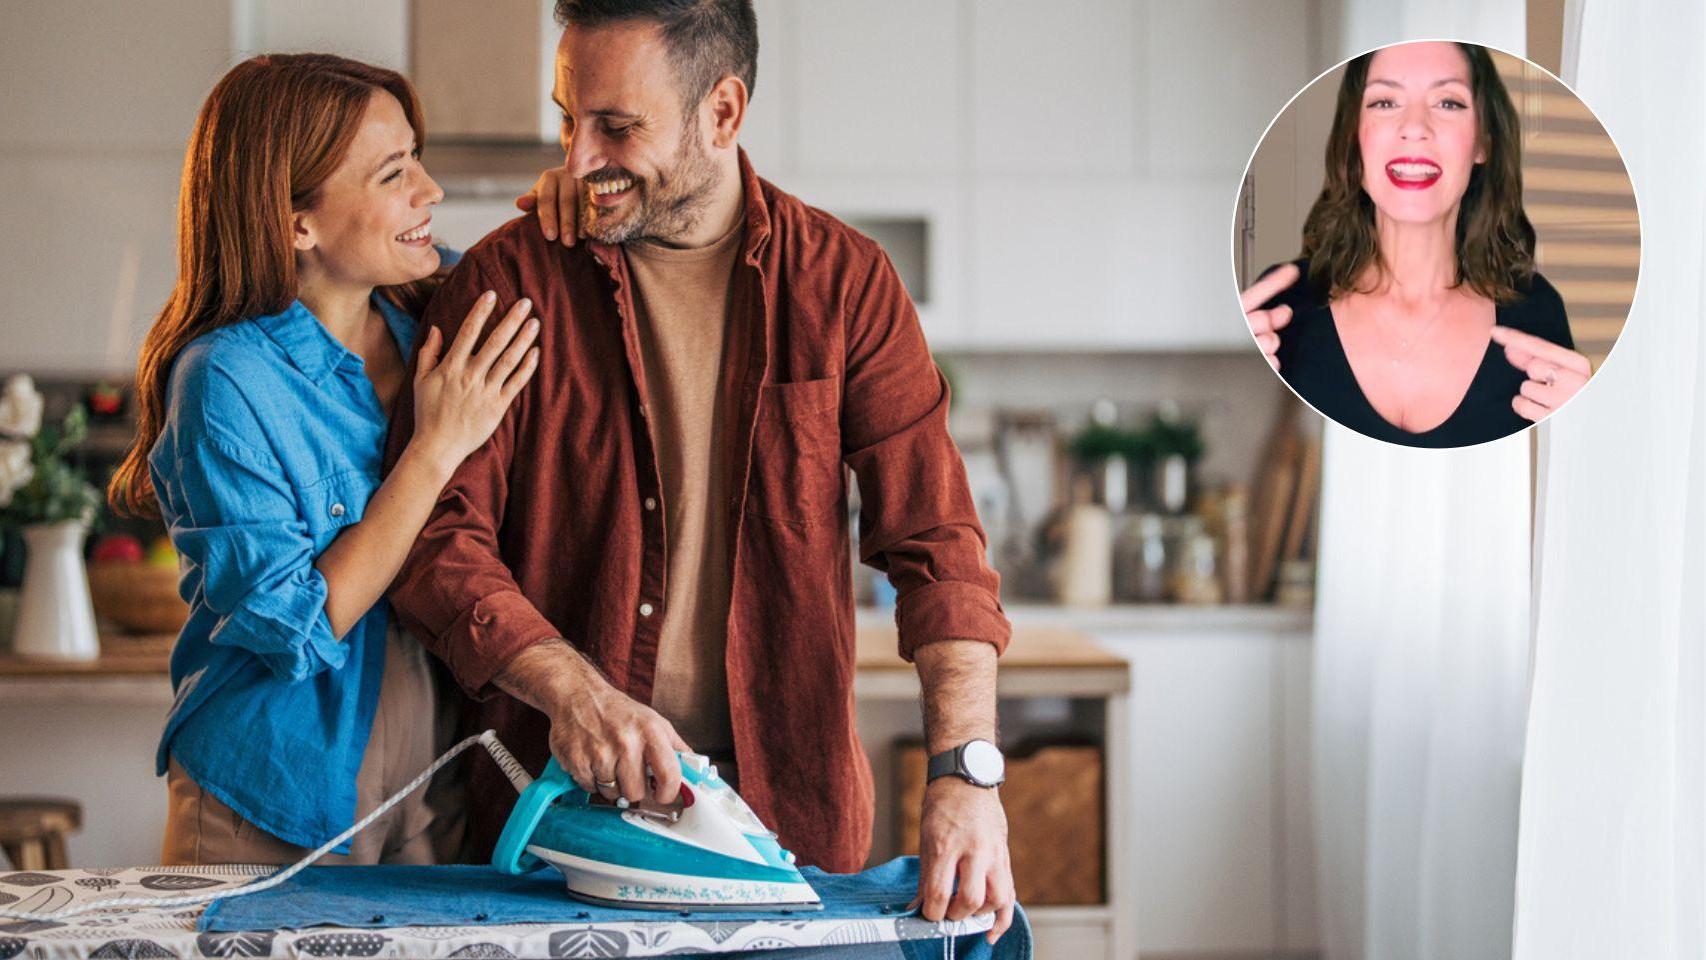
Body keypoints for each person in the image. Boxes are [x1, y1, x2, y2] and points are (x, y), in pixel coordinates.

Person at [384, 0, 1016, 942]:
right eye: (568, 119)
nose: (577, 158)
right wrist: (575, 690)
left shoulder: (844, 286)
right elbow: (436, 536)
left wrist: (965, 773)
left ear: (722, 113)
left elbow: (937, 547)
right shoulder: (513, 283)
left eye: (617, 127)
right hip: (562, 822)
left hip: (791, 814)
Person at [108, 53, 576, 865]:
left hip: (431, 786)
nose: (430, 192)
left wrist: (573, 202)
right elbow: (295, 628)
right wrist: (431, 451)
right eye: (395, 174)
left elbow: (569, 306)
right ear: (298, 223)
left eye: (417, 161)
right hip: (271, 798)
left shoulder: (434, 317)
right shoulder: (226, 380)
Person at [1242, 41, 1592, 448]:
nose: (1415, 127)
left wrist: (1584, 429)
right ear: (1355, 141)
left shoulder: (1537, 312)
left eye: (1448, 103)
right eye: (1385, 102)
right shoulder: (1283, 309)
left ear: (1484, 143)